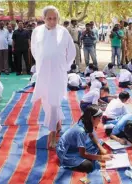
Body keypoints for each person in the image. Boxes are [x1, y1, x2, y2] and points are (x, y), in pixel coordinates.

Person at [31, 6, 76, 149]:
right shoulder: (37, 32)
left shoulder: (63, 32)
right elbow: (34, 51)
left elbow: (72, 52)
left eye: (55, 18)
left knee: (55, 102)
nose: (52, 21)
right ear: (44, 19)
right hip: (43, 73)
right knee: (46, 102)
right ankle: (57, 123)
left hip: (58, 73)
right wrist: (41, 63)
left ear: (58, 18)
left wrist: (64, 66)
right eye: (49, 18)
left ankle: (52, 136)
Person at [56, 105, 113, 173]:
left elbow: (91, 136)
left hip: (75, 146)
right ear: (92, 118)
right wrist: (102, 157)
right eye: (99, 118)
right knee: (88, 166)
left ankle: (93, 156)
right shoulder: (81, 131)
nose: (100, 121)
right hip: (67, 151)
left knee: (100, 144)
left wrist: (101, 148)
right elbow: (83, 154)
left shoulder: (87, 122)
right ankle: (70, 162)